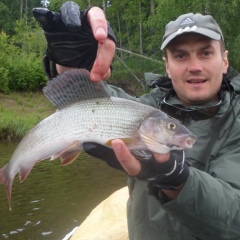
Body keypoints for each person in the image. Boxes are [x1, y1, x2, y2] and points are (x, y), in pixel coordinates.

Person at [33, 2, 240, 239]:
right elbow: (97, 102)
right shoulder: (146, 110)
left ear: (224, 61)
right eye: (180, 55)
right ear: (167, 66)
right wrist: (73, 68)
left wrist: (177, 179)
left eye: (205, 53)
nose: (194, 66)